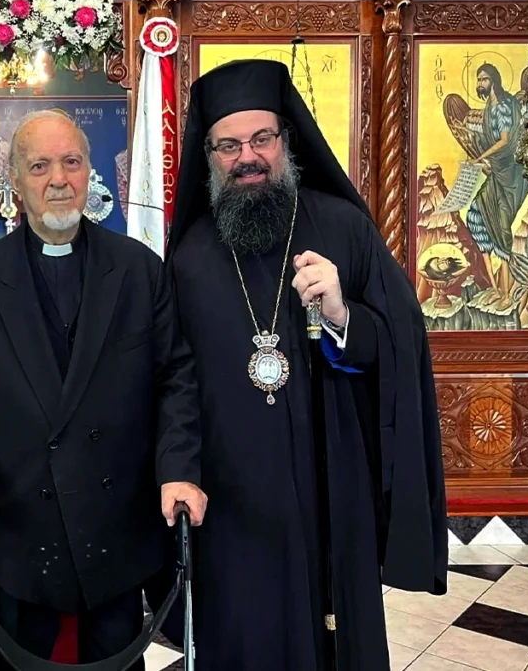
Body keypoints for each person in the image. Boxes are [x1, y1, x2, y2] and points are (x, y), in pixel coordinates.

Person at [163, 58, 448, 671]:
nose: (248, 157)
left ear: (285, 140)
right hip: (230, 504)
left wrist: (344, 314)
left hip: (328, 487)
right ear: (209, 155)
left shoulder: (342, 227)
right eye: (229, 145)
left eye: (262, 138)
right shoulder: (188, 259)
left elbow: (399, 344)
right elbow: (171, 382)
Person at [0, 109, 207, 670]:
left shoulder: (138, 270)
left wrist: (179, 469)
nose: (58, 179)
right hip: (22, 524)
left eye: (71, 162)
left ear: (89, 170)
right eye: (40, 165)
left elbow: (175, 377)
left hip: (116, 523)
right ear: (15, 179)